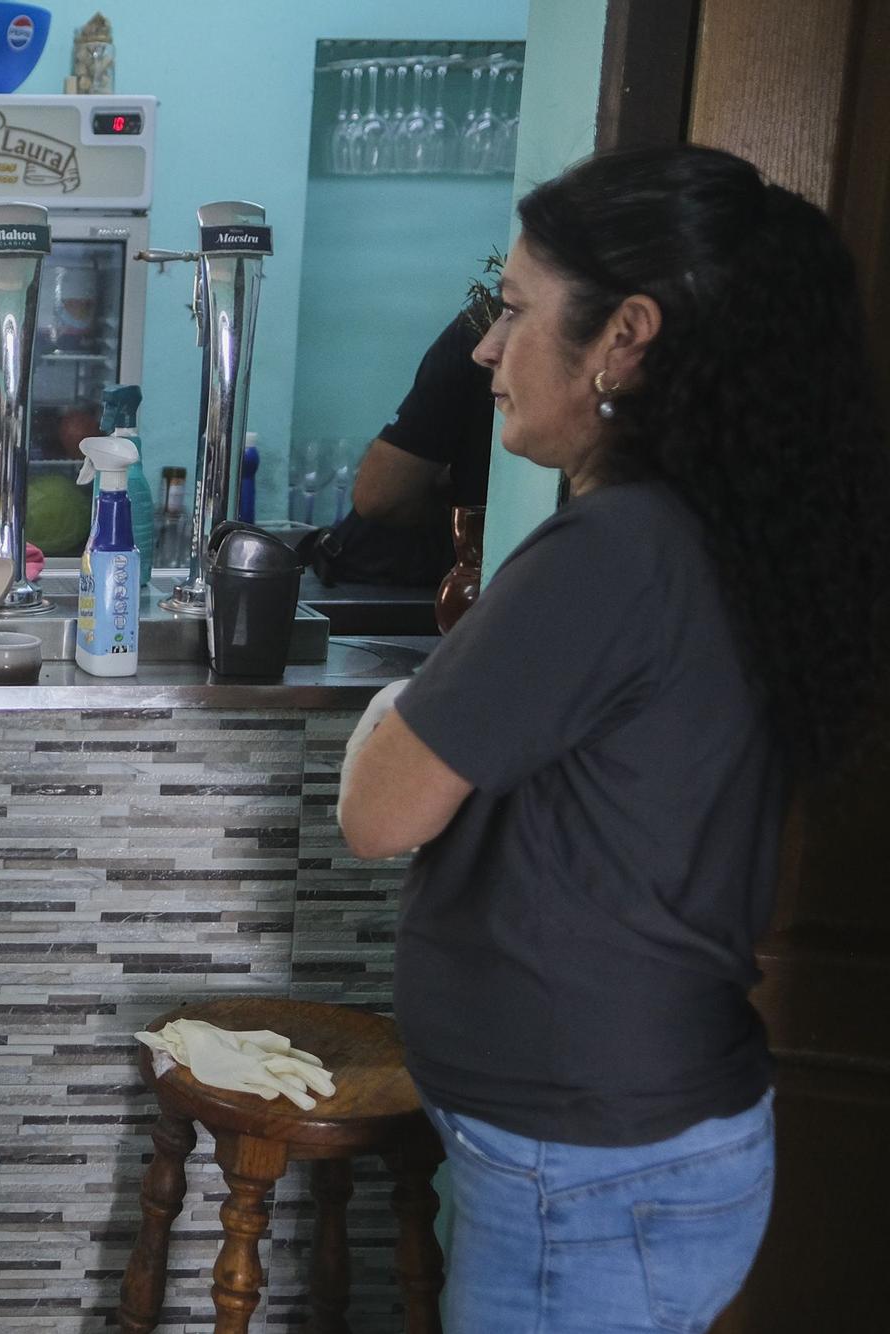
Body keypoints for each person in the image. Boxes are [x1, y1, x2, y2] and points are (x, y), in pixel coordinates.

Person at [338, 145, 887, 1332]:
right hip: (625, 1143)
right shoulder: (719, 528)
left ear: (622, 335)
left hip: (587, 1171)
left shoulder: (611, 554)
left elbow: (378, 812)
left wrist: (407, 700)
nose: (485, 347)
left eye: (519, 311)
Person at [303, 310, 495, 588]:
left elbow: (379, 495)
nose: (488, 353)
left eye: (515, 310)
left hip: (444, 585)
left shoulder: (477, 329)